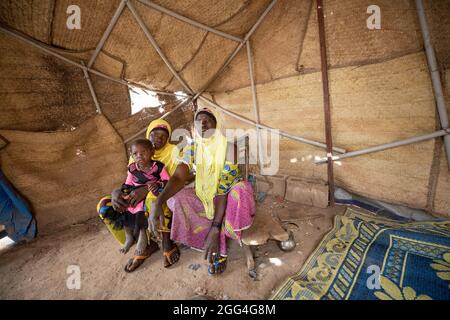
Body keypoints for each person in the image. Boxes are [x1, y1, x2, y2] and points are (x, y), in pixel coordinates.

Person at [149, 107, 256, 275]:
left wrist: (215, 227)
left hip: (228, 198)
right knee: (176, 197)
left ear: (216, 124)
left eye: (208, 119)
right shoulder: (193, 149)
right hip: (208, 196)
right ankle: (207, 235)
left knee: (242, 189)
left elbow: (222, 190)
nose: (203, 123)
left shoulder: (229, 148)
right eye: (198, 121)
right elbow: (178, 177)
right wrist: (158, 201)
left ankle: (218, 237)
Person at [97, 119, 181, 270]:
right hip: (134, 194)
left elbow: (174, 181)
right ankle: (136, 239)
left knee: (151, 198)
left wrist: (147, 190)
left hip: (161, 193)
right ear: (148, 135)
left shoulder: (172, 152)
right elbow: (129, 181)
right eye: (154, 135)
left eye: (163, 137)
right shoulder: (137, 153)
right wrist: (116, 193)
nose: (157, 139)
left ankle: (164, 242)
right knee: (105, 205)